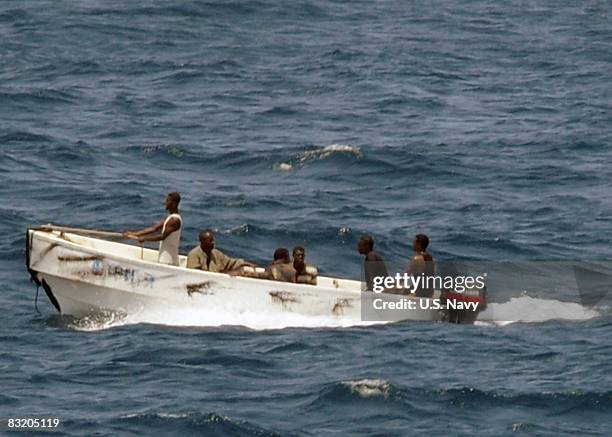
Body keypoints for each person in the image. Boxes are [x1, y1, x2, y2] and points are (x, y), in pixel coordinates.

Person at [123, 192, 182, 266]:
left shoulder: (174, 220)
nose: (165, 203)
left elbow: (162, 236)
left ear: (174, 203)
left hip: (168, 260)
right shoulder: (170, 217)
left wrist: (144, 238)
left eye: (167, 201)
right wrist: (133, 234)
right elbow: (154, 228)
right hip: (164, 258)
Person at [186, 230, 254, 273]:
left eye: (213, 240)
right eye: (210, 241)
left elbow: (230, 262)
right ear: (202, 242)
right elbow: (194, 273)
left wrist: (244, 263)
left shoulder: (216, 253)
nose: (213, 243)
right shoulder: (193, 254)